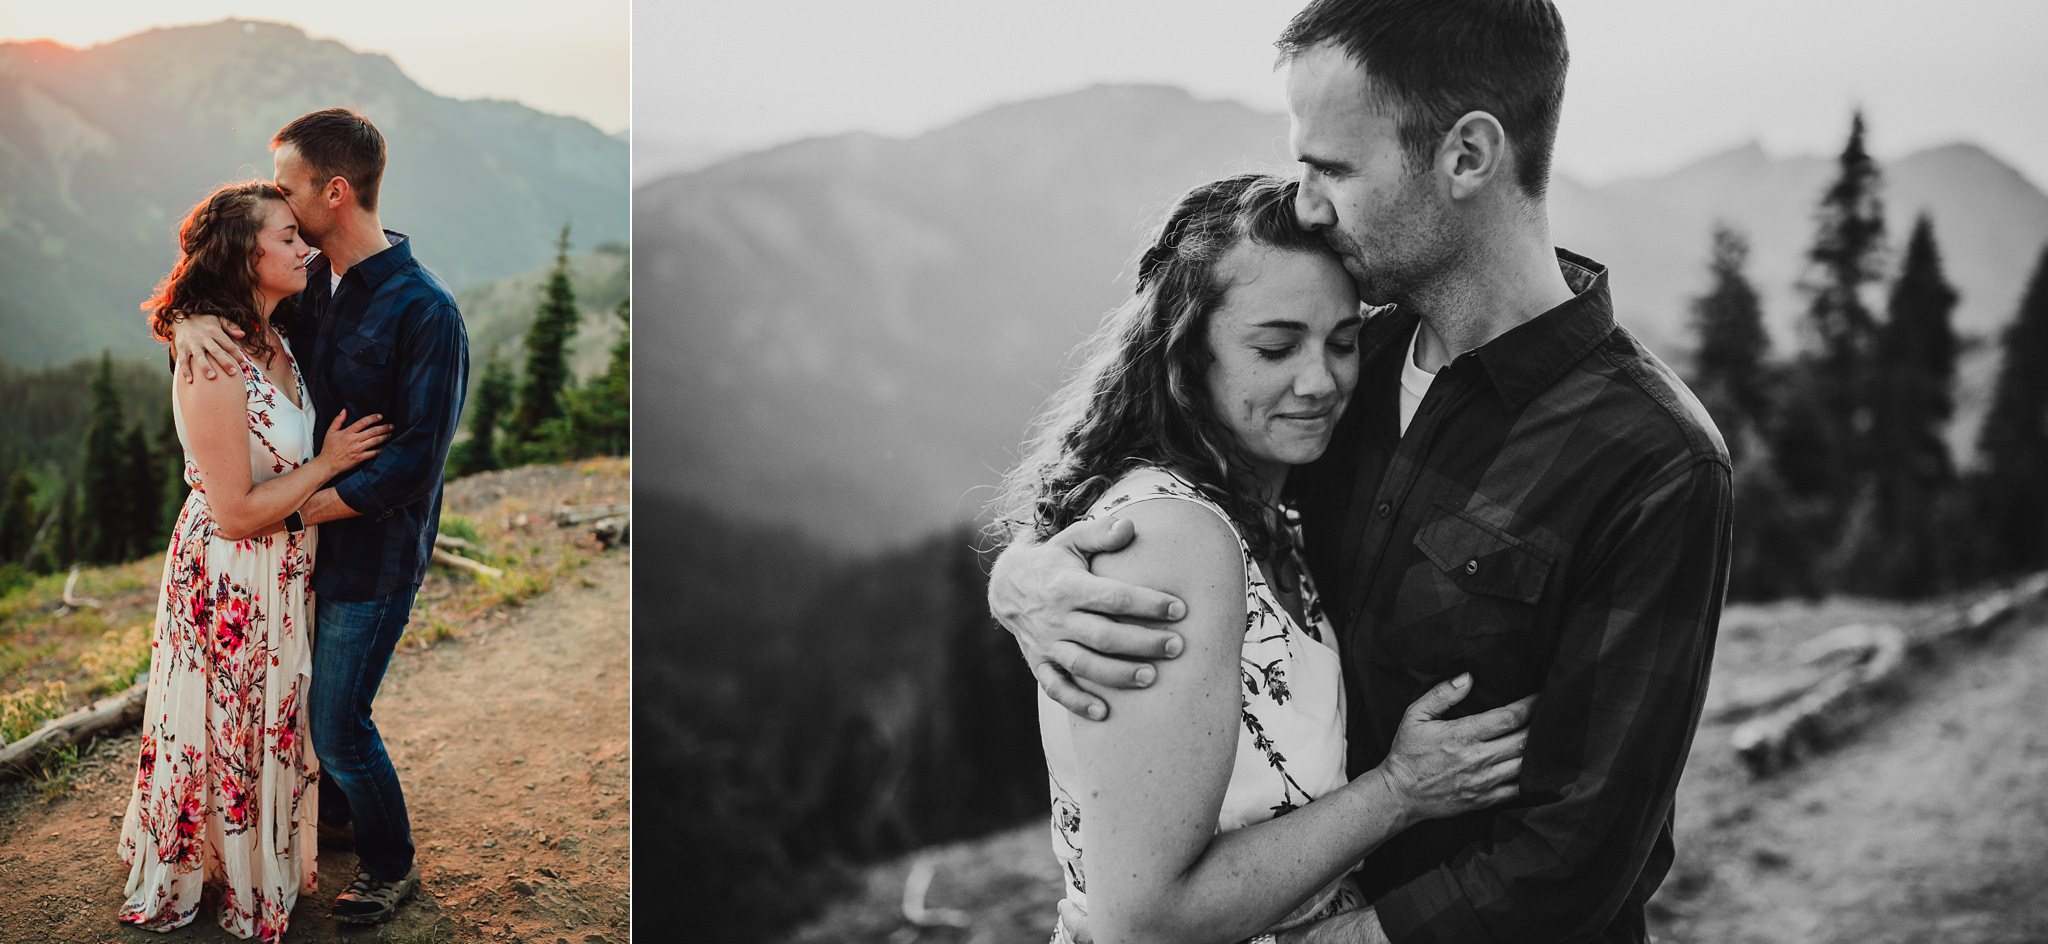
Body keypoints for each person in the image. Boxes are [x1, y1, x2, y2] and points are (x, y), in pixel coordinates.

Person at [989, 2, 1733, 942]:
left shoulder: (1653, 458)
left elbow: (1578, 855)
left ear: (1466, 157)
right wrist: (1023, 574)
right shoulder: (1343, 369)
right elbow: (1156, 461)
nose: (1305, 202)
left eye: (1332, 168)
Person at [992, 173, 1534, 944]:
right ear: (1185, 348)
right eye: (1275, 346)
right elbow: (1144, 921)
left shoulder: (1265, 507)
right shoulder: (1176, 542)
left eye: (1343, 343)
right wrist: (1401, 790)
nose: (1320, 381)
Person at [169, 107, 471, 925]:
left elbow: (413, 465)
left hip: (369, 556)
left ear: (333, 192)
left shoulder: (426, 312)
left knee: (338, 723)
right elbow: (234, 322)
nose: (280, 198)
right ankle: (334, 817)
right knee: (302, 706)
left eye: (292, 186)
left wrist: (296, 516)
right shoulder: (310, 283)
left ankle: (390, 864)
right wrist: (183, 320)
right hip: (290, 555)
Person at [120, 180, 393, 940]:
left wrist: (187, 313)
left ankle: (256, 862)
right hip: (232, 573)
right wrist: (330, 460)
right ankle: (217, 874)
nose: (305, 249)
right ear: (245, 255)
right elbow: (237, 511)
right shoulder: (212, 361)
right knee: (228, 724)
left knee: (269, 724)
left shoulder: (274, 333)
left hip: (283, 568)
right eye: (286, 239)